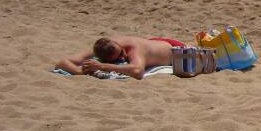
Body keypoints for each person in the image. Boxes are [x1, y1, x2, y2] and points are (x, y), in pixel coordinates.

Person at [55, 36, 186, 80]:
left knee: (195, 49)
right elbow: (62, 62)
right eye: (118, 57)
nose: (123, 56)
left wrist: (101, 66)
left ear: (117, 44)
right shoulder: (101, 49)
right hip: (153, 45)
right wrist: (79, 71)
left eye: (122, 52)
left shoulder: (133, 48)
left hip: (173, 48)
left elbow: (138, 72)